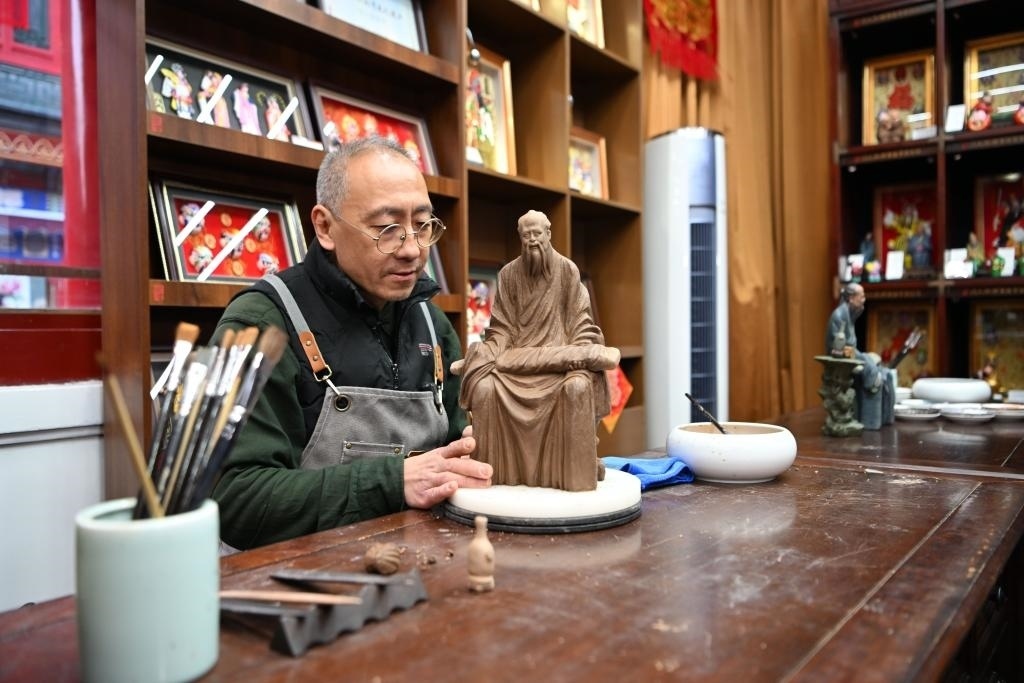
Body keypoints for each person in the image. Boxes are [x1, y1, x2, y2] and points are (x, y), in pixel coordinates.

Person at [211, 137, 492, 549]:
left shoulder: (432, 326)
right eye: (387, 229)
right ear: (325, 227)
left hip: (419, 566)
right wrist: (393, 481)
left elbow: (455, 457)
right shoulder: (261, 325)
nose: (412, 249)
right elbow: (235, 499)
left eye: (422, 225)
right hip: (291, 578)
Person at [453, 210, 619, 491]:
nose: (532, 240)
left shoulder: (567, 271)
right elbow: (502, 327)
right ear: (520, 238)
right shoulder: (508, 275)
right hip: (517, 366)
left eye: (537, 234)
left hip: (559, 366)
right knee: (484, 388)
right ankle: (496, 474)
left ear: (548, 234)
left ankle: (574, 476)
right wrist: (488, 351)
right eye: (526, 235)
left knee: (577, 387)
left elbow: (580, 322)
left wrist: (580, 353)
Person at [825, 283, 893, 429]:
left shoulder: (850, 312)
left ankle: (874, 382)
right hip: (842, 355)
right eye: (861, 297)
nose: (864, 300)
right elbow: (838, 345)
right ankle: (872, 383)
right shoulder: (839, 315)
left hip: (851, 351)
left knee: (874, 362)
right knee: (868, 364)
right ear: (851, 298)